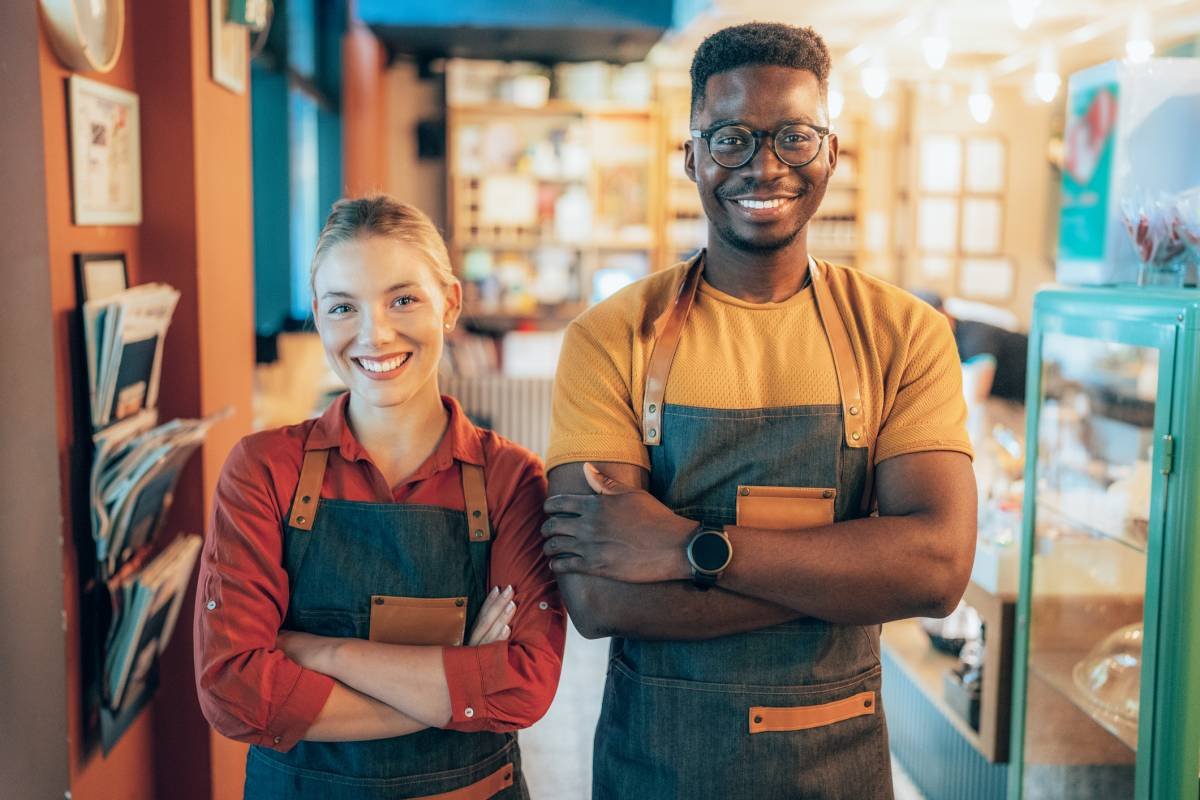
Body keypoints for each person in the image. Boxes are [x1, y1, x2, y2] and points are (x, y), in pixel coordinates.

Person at [541, 22, 977, 800]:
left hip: (838, 763)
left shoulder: (904, 335)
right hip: (660, 769)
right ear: (692, 158)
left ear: (831, 154)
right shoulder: (609, 338)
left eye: (794, 137)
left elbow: (936, 570)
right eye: (731, 137)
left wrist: (688, 547)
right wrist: (844, 574)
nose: (764, 165)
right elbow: (600, 596)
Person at [195, 196, 565, 799]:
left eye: (403, 299)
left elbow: (523, 687)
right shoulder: (264, 470)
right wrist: (460, 685)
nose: (375, 334)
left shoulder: (510, 479)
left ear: (449, 303)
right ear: (317, 315)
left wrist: (324, 653)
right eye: (344, 307)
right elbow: (236, 695)